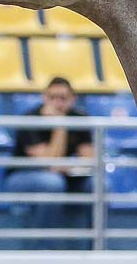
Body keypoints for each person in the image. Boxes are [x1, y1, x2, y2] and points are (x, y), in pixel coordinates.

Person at [8, 77, 95, 249]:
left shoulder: (79, 117)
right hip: (23, 175)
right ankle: (45, 249)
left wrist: (69, 166)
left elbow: (89, 159)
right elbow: (49, 162)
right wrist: (60, 126)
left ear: (73, 99)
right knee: (52, 183)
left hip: (65, 174)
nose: (57, 103)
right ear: (44, 98)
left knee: (98, 184)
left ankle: (96, 246)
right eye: (52, 97)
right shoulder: (30, 119)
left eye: (63, 98)